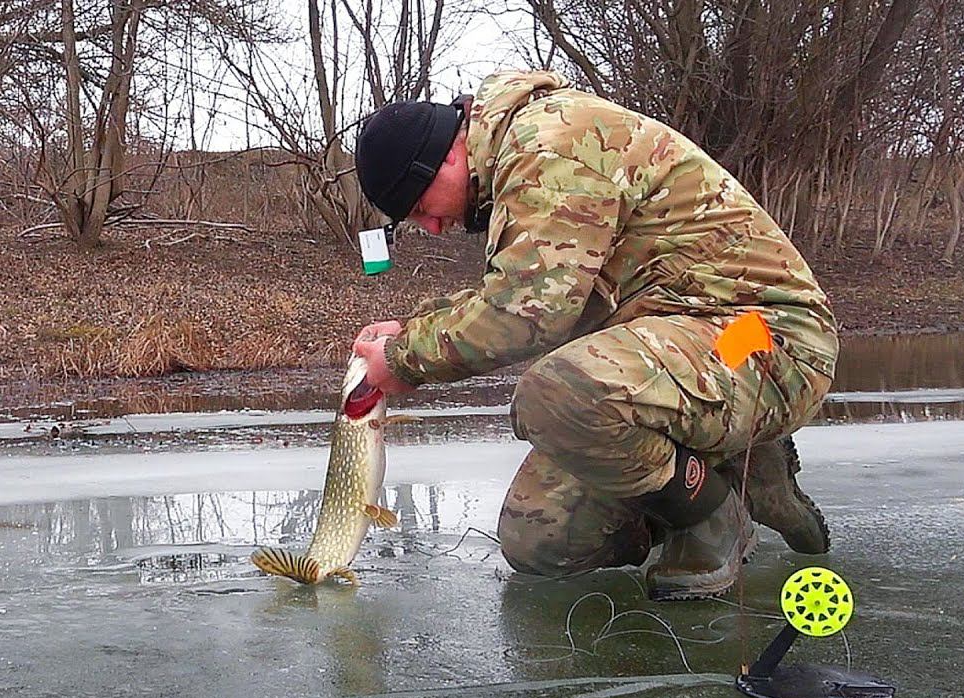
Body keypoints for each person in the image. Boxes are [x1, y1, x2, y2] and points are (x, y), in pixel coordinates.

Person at [349, 70, 838, 600]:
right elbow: (519, 286)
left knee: (557, 393)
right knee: (541, 540)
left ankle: (712, 512)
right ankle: (735, 464)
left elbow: (528, 313)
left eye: (422, 208)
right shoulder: (519, 155)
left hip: (760, 336)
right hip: (688, 338)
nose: (435, 228)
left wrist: (402, 361)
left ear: (445, 157)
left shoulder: (549, 143)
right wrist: (416, 328)